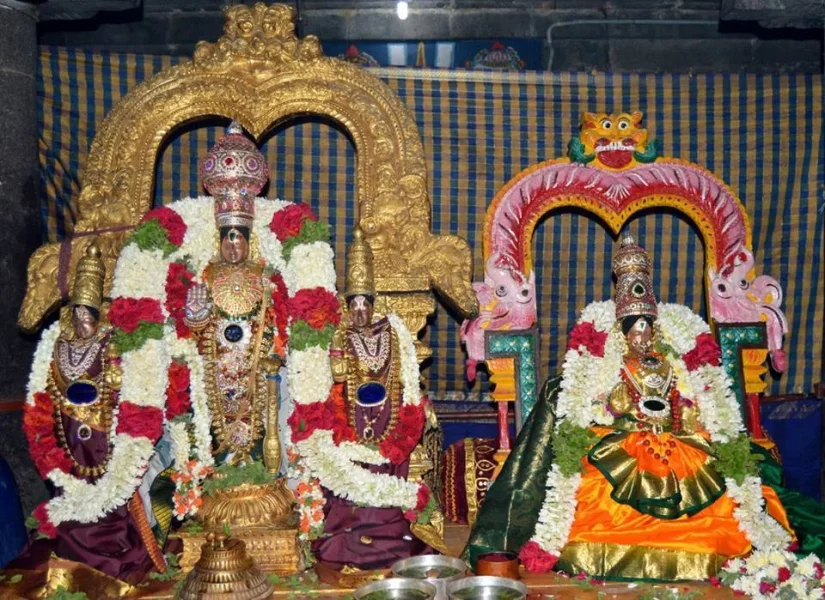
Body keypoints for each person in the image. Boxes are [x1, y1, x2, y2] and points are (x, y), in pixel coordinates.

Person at [465, 233, 796, 581]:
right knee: (596, 493)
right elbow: (600, 409)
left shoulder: (673, 362)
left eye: (647, 329)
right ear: (623, 334)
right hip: (624, 445)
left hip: (679, 447)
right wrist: (614, 405)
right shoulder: (611, 365)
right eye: (635, 330)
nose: (642, 337)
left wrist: (687, 412)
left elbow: (690, 404)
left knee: (723, 498)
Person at [24, 243, 163, 583]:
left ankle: (118, 550)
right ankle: (73, 548)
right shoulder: (57, 344)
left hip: (104, 430)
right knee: (71, 488)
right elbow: (44, 391)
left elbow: (129, 384)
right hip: (68, 430)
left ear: (100, 311)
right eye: (78, 312)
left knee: (111, 490)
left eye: (89, 312)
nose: (83, 319)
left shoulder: (111, 342)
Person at [310, 227, 441, 570]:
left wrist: (416, 403)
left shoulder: (391, 333)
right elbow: (336, 379)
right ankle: (350, 528)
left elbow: (405, 375)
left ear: (372, 305)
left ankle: (389, 523)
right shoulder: (338, 335)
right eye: (352, 304)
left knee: (387, 457)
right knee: (347, 465)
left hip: (389, 418)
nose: (359, 312)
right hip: (350, 420)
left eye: (364, 304)